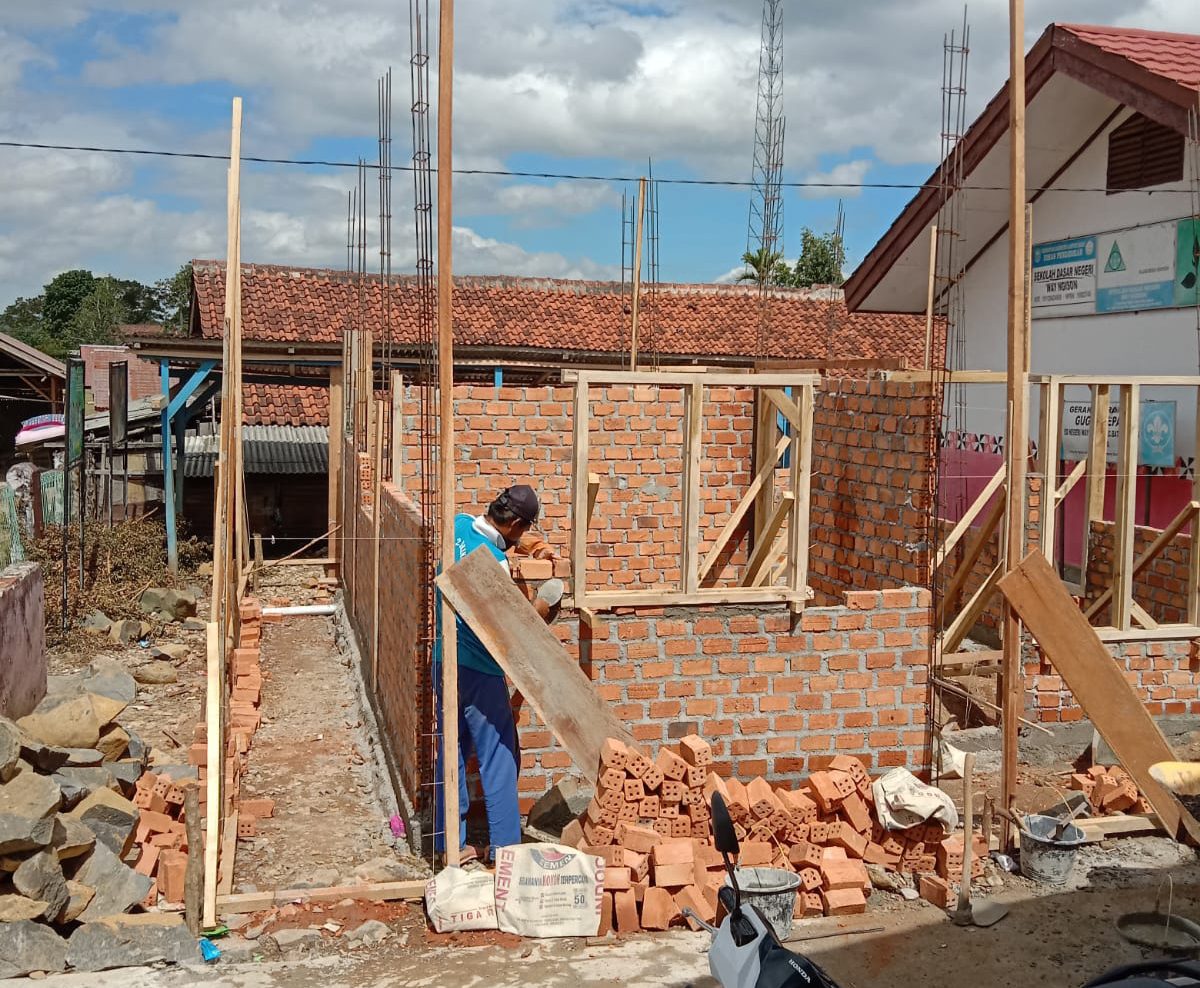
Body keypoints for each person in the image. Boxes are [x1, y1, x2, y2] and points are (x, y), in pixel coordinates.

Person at [436, 484, 562, 862]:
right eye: (524, 531)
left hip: (444, 659)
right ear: (517, 524)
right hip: (480, 669)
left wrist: (536, 548)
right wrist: (542, 610)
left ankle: (448, 843)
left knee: (452, 750)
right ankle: (506, 849)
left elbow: (499, 539)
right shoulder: (497, 566)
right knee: (500, 756)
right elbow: (510, 631)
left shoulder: (458, 525)